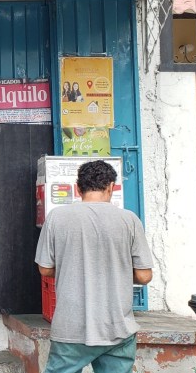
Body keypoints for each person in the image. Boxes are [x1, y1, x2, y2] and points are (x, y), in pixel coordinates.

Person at [35, 160, 153, 373]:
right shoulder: (129, 220)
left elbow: (45, 269)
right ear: (111, 187)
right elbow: (144, 276)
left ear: (78, 188)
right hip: (117, 327)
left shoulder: (56, 218)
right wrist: (117, 270)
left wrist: (73, 267)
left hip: (70, 329)